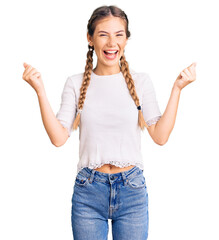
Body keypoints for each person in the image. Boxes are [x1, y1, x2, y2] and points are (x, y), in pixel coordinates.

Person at [22, 5, 196, 240]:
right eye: (103, 34)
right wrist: (40, 91)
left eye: (119, 34)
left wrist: (177, 89)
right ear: (90, 39)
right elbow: (58, 137)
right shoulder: (75, 83)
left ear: (126, 39)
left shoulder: (141, 82)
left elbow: (160, 136)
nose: (112, 42)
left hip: (132, 190)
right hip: (88, 192)